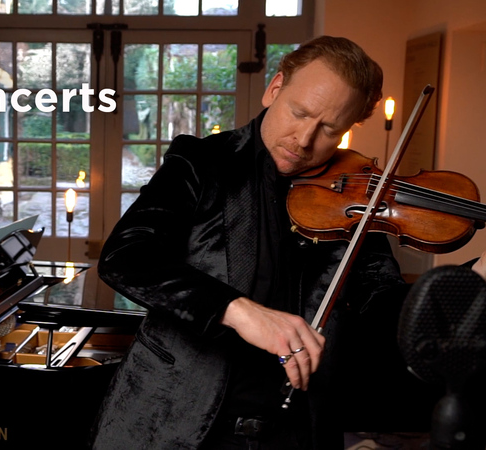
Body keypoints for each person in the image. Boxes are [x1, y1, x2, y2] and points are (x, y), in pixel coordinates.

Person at [90, 36, 486, 449]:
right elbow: (127, 257)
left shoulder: (357, 198)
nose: (304, 138)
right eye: (299, 113)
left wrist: (473, 278)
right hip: (173, 419)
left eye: (330, 129)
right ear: (275, 88)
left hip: (296, 427)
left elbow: (383, 308)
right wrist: (240, 312)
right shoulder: (202, 162)